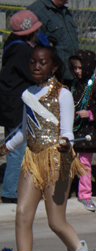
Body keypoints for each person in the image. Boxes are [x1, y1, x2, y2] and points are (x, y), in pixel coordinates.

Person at [0, 43, 96, 251]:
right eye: (32, 62)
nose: (36, 67)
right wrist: (4, 148)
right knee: (22, 214)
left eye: (43, 62)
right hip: (32, 159)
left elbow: (67, 132)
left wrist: (65, 144)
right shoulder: (27, 93)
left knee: (56, 221)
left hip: (57, 160)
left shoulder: (63, 94)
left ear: (54, 66)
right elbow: (25, 132)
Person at [0, 11, 41, 204]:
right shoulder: (23, 52)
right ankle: (10, 191)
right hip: (16, 106)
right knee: (18, 148)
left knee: (16, 146)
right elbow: (34, 75)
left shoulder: (11, 45)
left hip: (10, 104)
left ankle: (17, 188)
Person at [68, 50, 96, 212]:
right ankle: (63, 191)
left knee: (84, 163)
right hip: (74, 128)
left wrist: (90, 114)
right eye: (75, 68)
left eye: (80, 68)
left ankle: (85, 194)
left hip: (89, 131)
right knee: (67, 160)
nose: (78, 71)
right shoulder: (74, 84)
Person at [28, 0, 79, 83]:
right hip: (54, 77)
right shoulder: (37, 10)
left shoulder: (65, 12)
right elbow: (31, 43)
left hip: (73, 73)